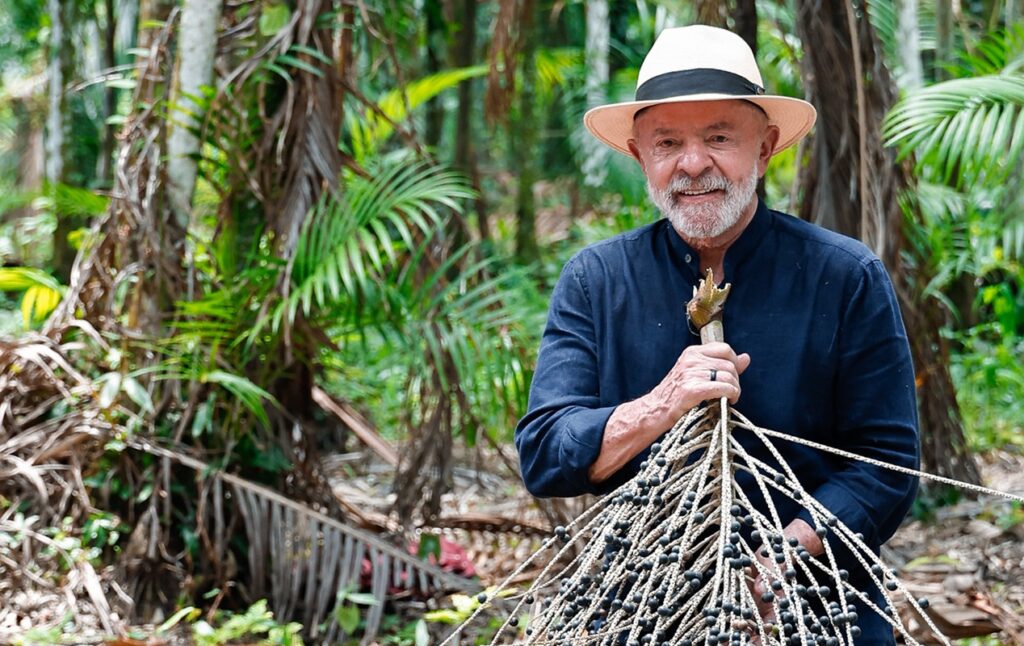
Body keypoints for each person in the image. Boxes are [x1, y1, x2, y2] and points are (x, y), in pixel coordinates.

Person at [514, 25, 919, 644]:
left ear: (766, 147)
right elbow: (546, 452)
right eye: (667, 142)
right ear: (640, 156)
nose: (693, 163)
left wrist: (777, 565)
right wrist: (660, 405)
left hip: (818, 608)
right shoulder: (596, 280)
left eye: (719, 138)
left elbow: (886, 465)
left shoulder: (845, 276)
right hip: (647, 606)